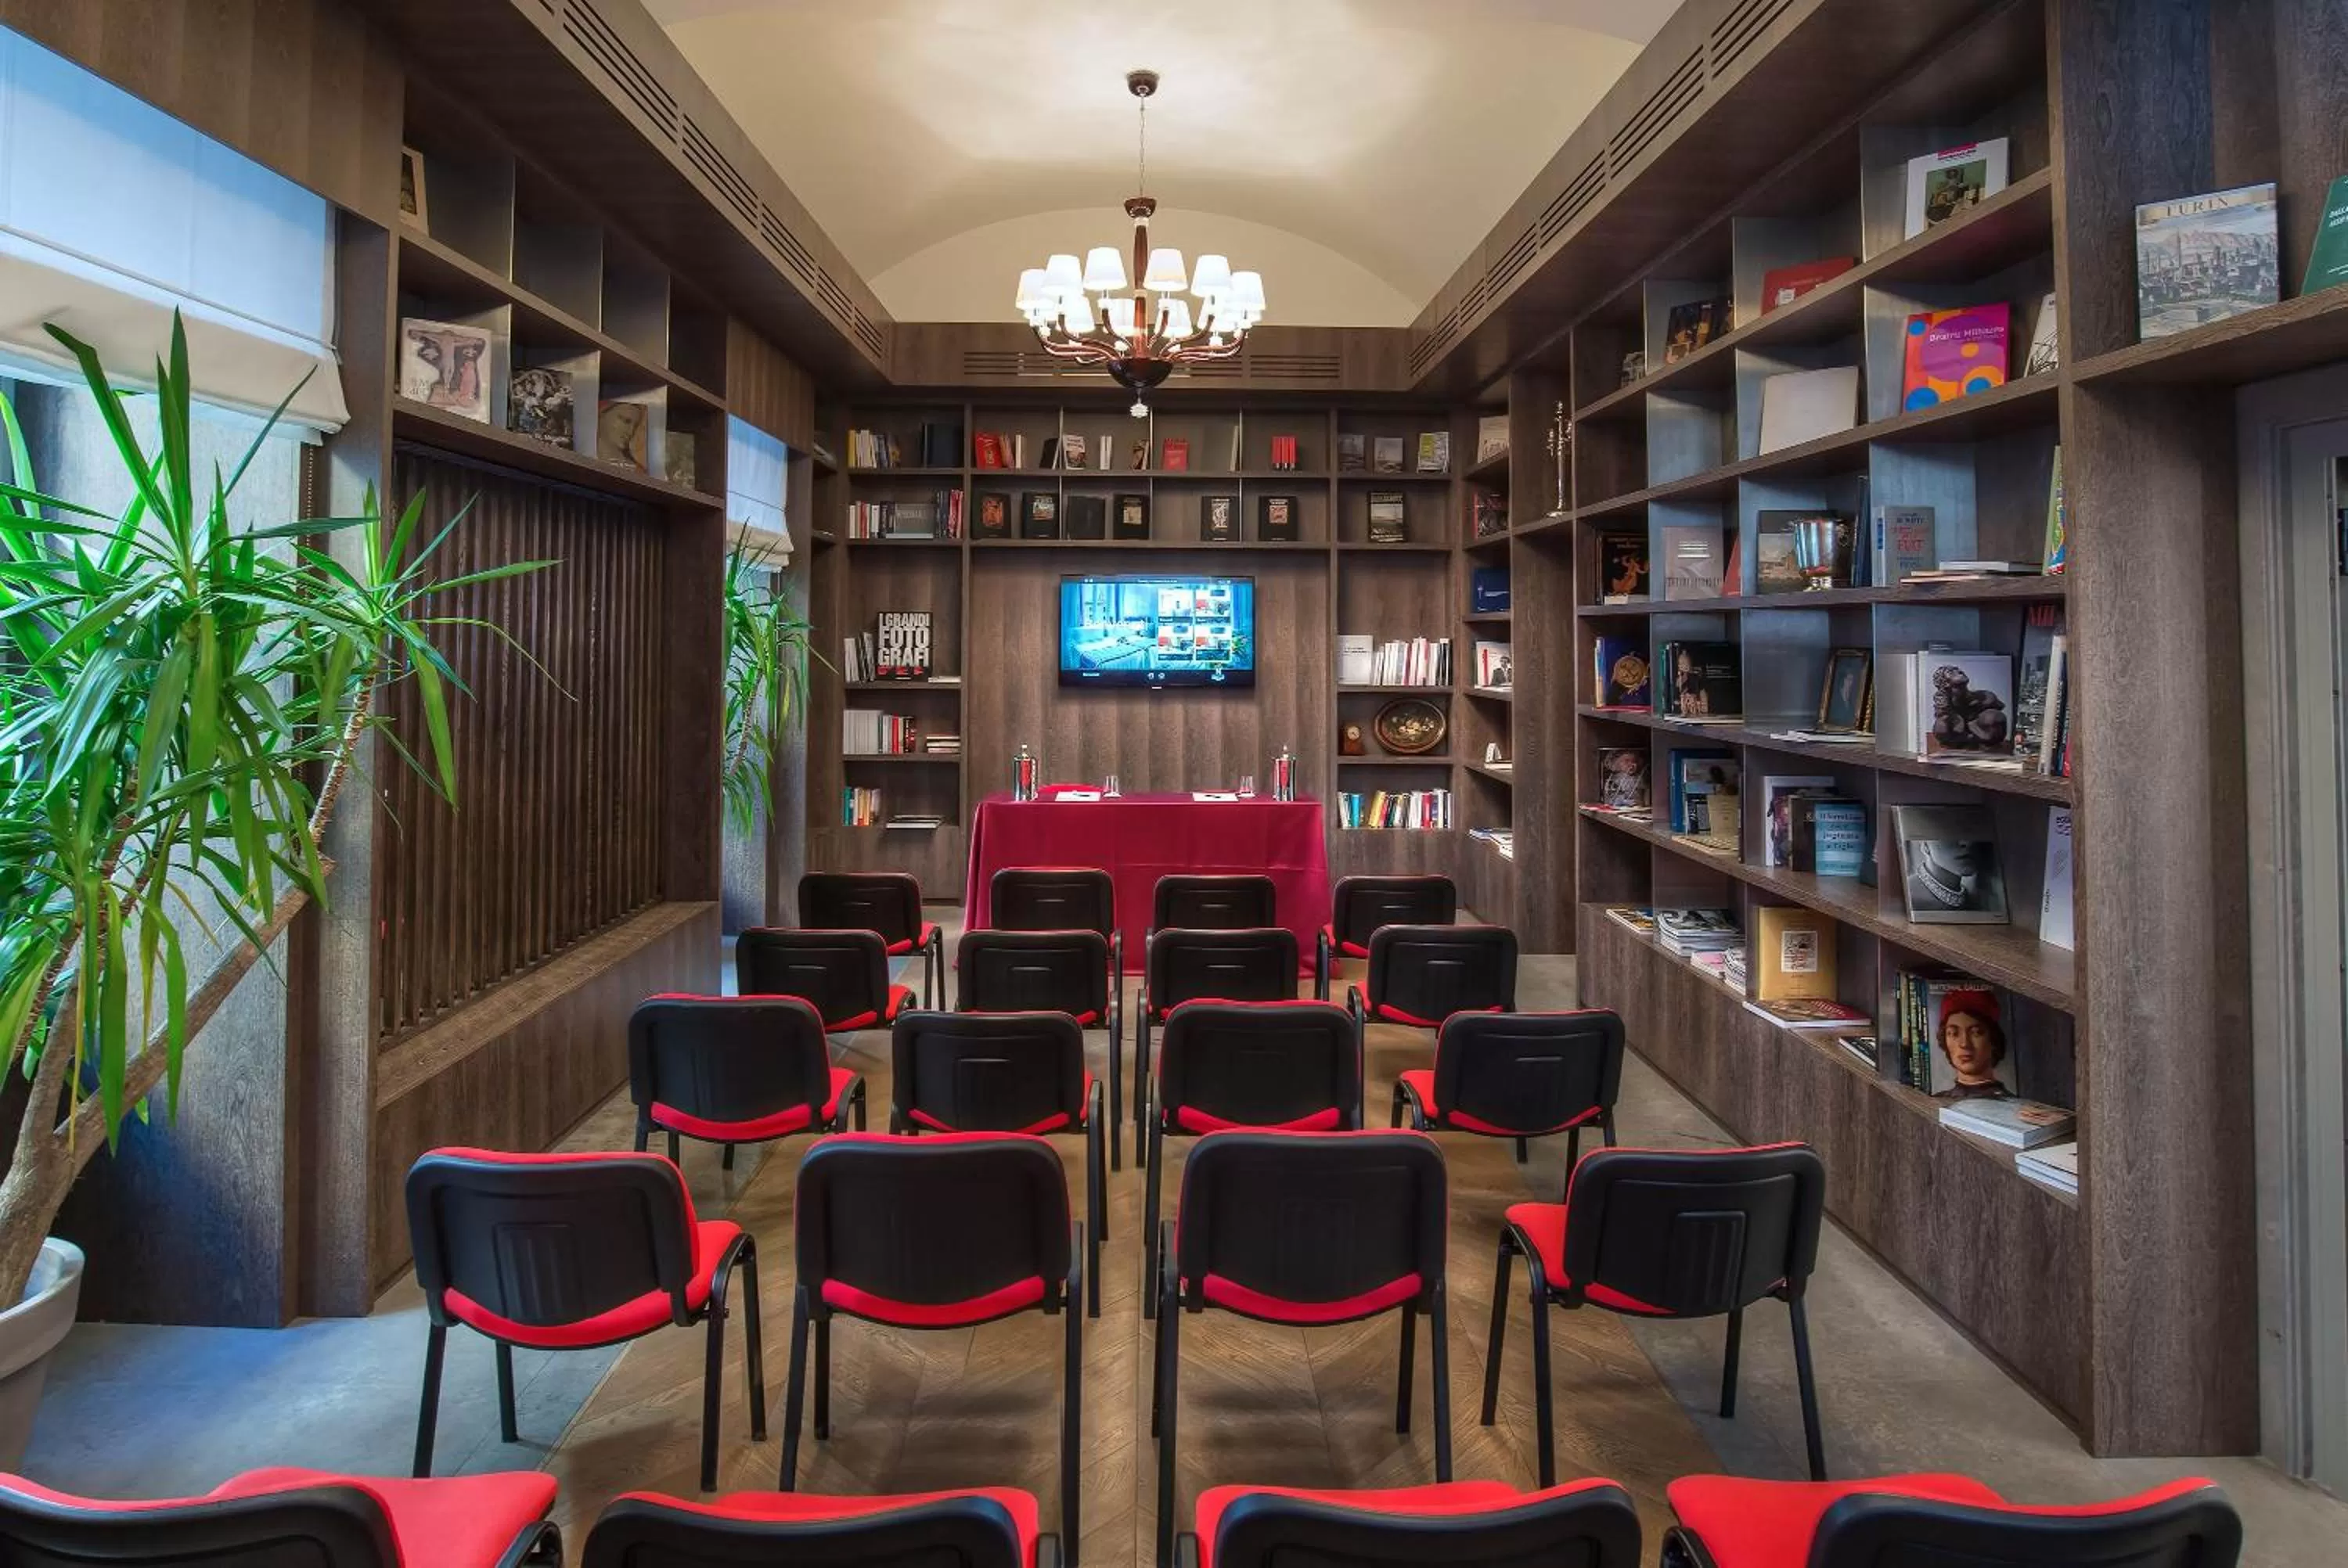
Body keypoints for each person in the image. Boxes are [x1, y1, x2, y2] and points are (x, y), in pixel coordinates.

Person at [1935, 988, 2011, 1099]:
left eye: (1976, 1033)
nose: (1964, 1044)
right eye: (1954, 1034)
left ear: (1993, 1039)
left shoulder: (2012, 1106)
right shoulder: (1936, 1102)